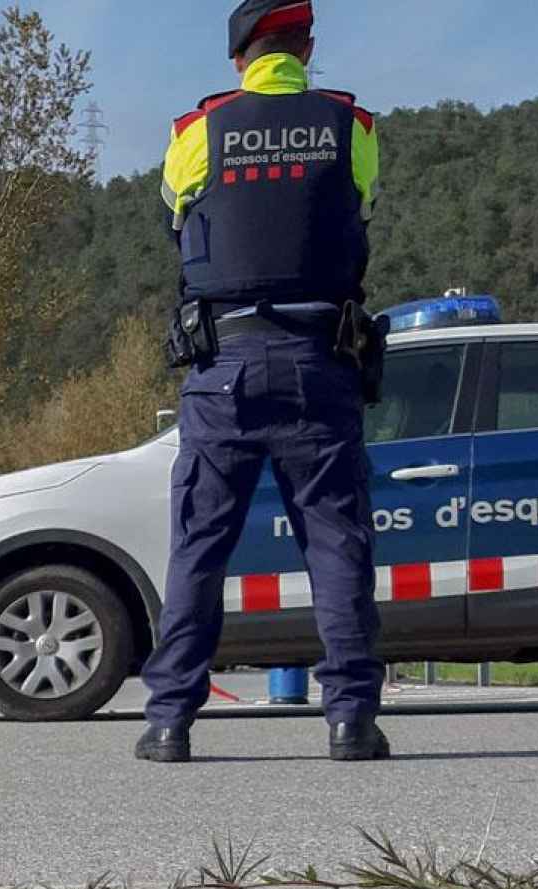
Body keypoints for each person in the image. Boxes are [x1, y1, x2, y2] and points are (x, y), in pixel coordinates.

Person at [139, 0, 389, 763]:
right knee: (336, 542)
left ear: (239, 56)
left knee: (200, 547)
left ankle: (169, 722)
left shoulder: (194, 134)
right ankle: (350, 720)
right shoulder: (354, 128)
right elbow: (362, 211)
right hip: (321, 361)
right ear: (307, 46)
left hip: (226, 369)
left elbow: (179, 224)